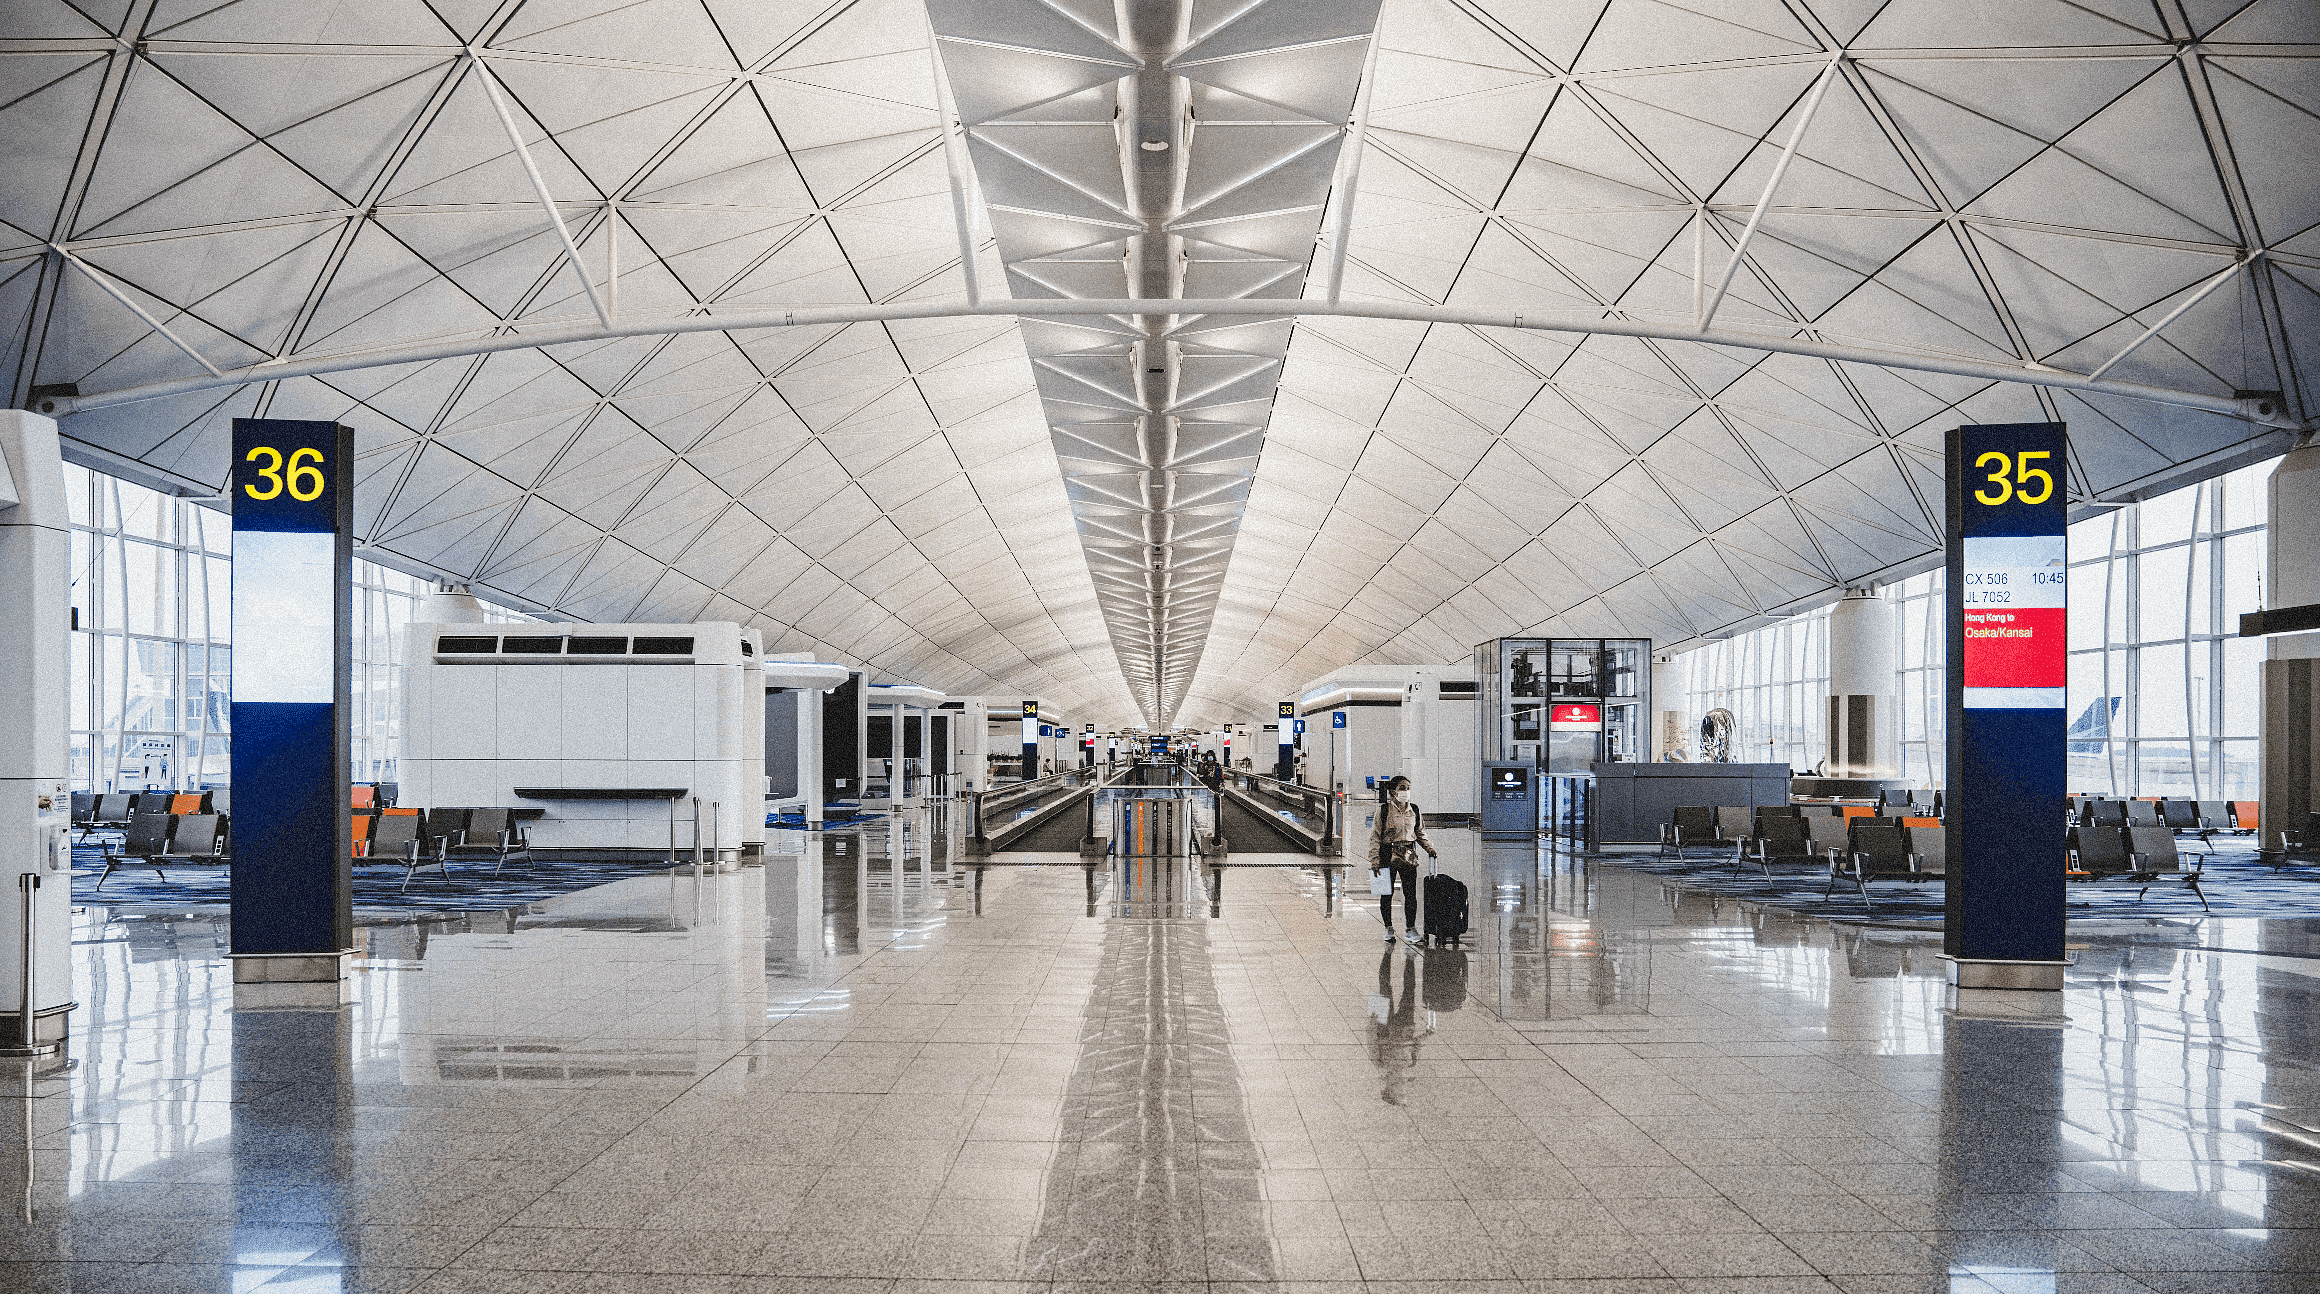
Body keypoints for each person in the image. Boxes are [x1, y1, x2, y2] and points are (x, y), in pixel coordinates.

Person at [1368, 774, 1437, 944]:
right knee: (1386, 893)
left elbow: (1420, 833)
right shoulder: (1383, 810)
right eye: (1402, 788)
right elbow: (1375, 836)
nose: (1406, 791)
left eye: (1408, 788)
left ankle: (1410, 929)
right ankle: (1388, 928)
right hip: (1386, 853)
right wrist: (1374, 859)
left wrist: (1429, 847)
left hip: (1408, 853)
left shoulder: (1414, 809)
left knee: (1410, 893)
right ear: (1393, 792)